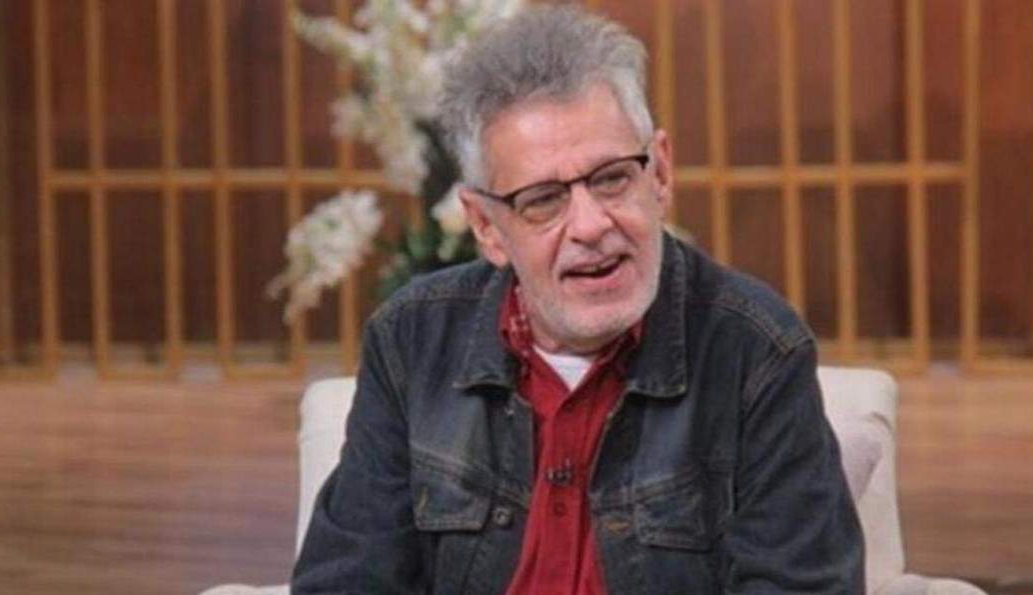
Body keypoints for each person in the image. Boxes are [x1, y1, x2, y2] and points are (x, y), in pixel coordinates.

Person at [292, 5, 863, 594]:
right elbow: (347, 582)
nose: (591, 226)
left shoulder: (757, 351)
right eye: (543, 199)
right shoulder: (412, 340)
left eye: (612, 178)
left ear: (660, 174)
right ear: (486, 227)